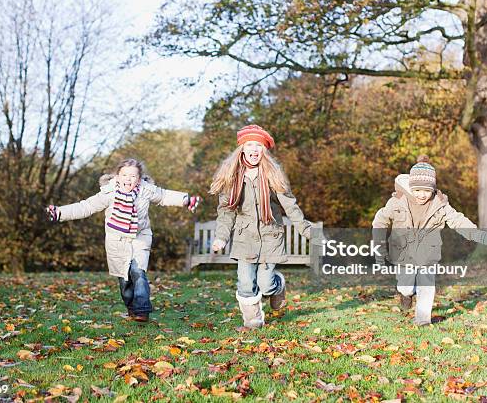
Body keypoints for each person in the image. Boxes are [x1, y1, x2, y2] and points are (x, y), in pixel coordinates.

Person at [46, 158, 200, 322]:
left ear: (139, 179)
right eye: (125, 175)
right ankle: (132, 308)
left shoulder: (146, 190)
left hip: (140, 238)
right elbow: (86, 206)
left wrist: (185, 200)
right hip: (117, 241)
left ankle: (142, 311)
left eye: (133, 176)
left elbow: (164, 196)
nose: (129, 179)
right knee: (125, 280)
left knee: (138, 272)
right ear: (117, 177)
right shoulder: (109, 193)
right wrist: (60, 212)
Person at [210, 125, 312, 329]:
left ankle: (278, 285)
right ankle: (253, 323)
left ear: (264, 150)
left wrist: (308, 231)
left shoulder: (273, 174)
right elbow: (226, 211)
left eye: (259, 145)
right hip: (244, 239)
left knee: (266, 284)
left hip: (269, 237)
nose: (254, 149)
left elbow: (289, 205)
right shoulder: (232, 176)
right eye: (250, 144)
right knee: (245, 283)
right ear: (242, 148)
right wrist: (221, 237)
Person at [372, 155, 487, 325]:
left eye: (427, 191)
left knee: (427, 286)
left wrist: (474, 233)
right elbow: (380, 221)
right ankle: (405, 294)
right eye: (418, 190)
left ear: (433, 190)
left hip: (428, 251)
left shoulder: (440, 204)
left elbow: (456, 219)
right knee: (405, 286)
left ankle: (422, 320)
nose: (422, 195)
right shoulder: (397, 202)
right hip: (403, 251)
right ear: (411, 188)